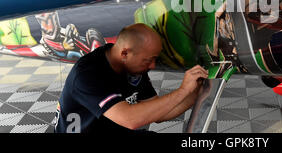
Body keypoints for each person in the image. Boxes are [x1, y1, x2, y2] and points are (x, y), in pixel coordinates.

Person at [54, 23, 209, 133]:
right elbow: (130, 119)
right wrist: (183, 90)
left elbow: (159, 112)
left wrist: (196, 93)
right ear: (125, 53)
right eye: (148, 60)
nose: (153, 66)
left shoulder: (132, 67)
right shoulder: (88, 74)